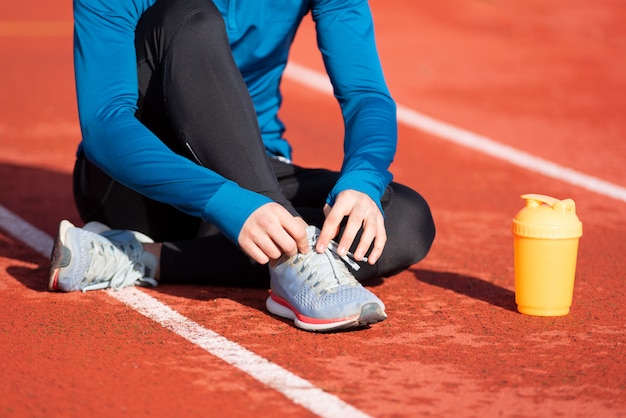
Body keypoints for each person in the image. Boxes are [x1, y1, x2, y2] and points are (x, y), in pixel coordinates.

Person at [49, 0, 435, 332]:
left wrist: (363, 179)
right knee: (189, 15)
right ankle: (294, 259)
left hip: (253, 179)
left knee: (404, 219)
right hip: (139, 191)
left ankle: (143, 258)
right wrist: (230, 203)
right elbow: (105, 124)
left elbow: (365, 94)